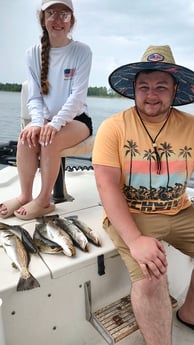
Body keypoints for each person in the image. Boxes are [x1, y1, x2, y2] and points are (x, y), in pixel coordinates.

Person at [92, 45, 194, 345]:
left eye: (161, 87)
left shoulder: (191, 127)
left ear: (175, 90)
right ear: (133, 90)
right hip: (130, 212)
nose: (152, 94)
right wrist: (135, 241)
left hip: (180, 210)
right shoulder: (114, 128)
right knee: (151, 276)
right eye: (144, 87)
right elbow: (106, 186)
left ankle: (189, 314)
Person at [0, 0, 93, 220]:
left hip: (77, 120)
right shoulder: (33, 53)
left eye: (64, 14)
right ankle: (24, 196)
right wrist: (38, 122)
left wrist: (54, 124)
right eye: (51, 13)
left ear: (72, 20)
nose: (58, 19)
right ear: (43, 19)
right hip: (46, 119)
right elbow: (34, 97)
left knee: (49, 139)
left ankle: (43, 200)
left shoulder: (82, 51)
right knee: (26, 137)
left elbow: (77, 98)